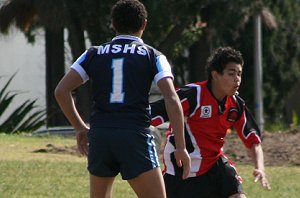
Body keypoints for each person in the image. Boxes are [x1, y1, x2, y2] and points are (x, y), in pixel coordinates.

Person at [54, 0, 191, 197]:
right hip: (134, 135)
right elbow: (171, 98)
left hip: (101, 135)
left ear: (113, 24)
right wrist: (180, 146)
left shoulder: (94, 53)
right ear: (144, 24)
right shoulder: (153, 55)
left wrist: (79, 127)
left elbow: (61, 91)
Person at [150, 46, 271, 198]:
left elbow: (253, 140)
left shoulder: (236, 105)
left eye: (239, 74)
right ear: (215, 75)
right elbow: (153, 111)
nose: (237, 79)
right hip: (181, 169)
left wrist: (260, 168)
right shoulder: (194, 95)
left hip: (215, 166)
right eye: (231, 73)